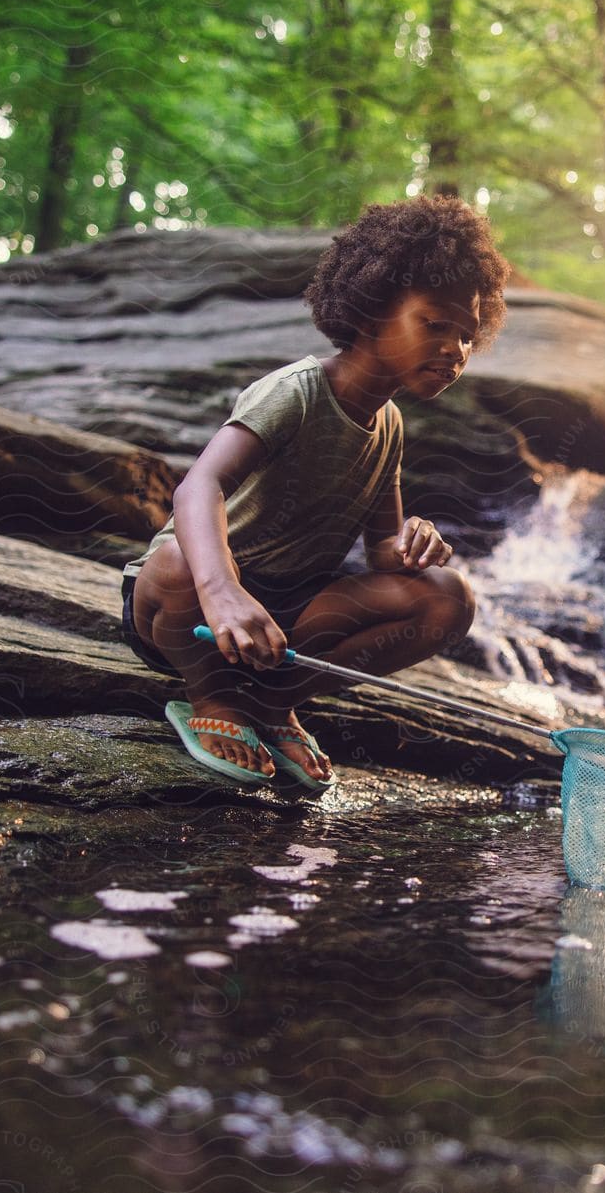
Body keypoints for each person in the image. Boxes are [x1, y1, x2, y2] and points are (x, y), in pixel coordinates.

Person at [120, 195, 508, 791]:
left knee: (445, 596)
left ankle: (274, 703)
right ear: (372, 309)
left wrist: (412, 543)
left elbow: (382, 552)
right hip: (190, 609)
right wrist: (222, 591)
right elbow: (200, 485)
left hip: (288, 617)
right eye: (435, 324)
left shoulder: (389, 425)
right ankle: (214, 699)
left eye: (466, 334)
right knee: (173, 562)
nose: (455, 349)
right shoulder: (296, 392)